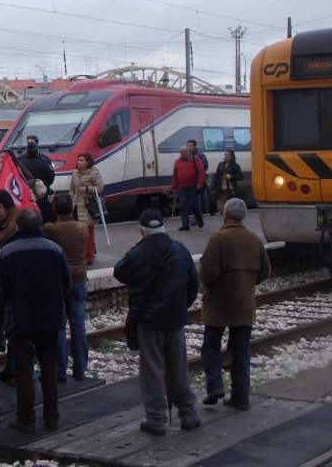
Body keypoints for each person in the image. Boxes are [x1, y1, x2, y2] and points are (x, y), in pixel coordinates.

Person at [114, 209, 201, 435]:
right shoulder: (180, 249)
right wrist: (181, 306)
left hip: (149, 320)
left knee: (152, 369)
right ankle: (189, 414)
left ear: (142, 230)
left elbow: (120, 272)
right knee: (178, 368)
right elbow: (193, 284)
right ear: (163, 226)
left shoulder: (139, 253)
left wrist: (136, 246)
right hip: (175, 318)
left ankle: (156, 420)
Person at [0, 208, 71, 432]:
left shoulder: (8, 252)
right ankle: (52, 418)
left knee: (23, 368)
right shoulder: (55, 250)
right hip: (50, 317)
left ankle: (26, 418)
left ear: (17, 226)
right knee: (49, 366)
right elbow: (66, 283)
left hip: (21, 316)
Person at [199, 198, 271, 411]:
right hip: (244, 305)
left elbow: (208, 273)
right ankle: (241, 397)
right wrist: (248, 283)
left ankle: (215, 386)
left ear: (226, 215)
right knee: (241, 351)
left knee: (211, 345)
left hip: (218, 304)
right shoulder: (254, 239)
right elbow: (266, 271)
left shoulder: (218, 239)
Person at [43, 193, 89, 382]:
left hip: (58, 281)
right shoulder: (82, 228)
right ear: (72, 209)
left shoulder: (50, 229)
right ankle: (80, 369)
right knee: (78, 325)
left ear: (54, 210)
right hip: (79, 279)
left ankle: (60, 370)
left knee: (59, 326)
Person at [70, 152, 105, 263]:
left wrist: (87, 189)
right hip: (76, 206)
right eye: (78, 160)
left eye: (82, 160)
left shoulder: (94, 173)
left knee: (88, 232)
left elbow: (100, 188)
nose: (79, 162)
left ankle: (89, 256)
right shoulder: (75, 173)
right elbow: (71, 189)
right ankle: (84, 252)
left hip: (88, 206)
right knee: (77, 232)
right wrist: (71, 200)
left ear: (88, 162)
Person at [171, 145, 206, 232]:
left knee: (193, 204)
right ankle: (185, 225)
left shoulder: (195, 159)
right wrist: (174, 187)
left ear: (188, 152)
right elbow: (175, 175)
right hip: (182, 186)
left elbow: (202, 172)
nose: (182, 153)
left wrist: (200, 183)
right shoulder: (177, 162)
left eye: (184, 151)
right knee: (183, 205)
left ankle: (199, 219)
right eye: (181, 151)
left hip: (193, 186)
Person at [21, 142, 56, 222]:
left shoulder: (22, 165)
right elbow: (51, 179)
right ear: (37, 152)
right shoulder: (44, 163)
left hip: (28, 196)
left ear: (27, 152)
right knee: (44, 219)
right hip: (43, 196)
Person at [208, 150, 244, 215]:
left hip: (230, 189)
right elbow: (217, 176)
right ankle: (225, 219)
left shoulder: (235, 166)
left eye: (227, 155)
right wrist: (213, 188)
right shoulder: (221, 165)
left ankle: (228, 220)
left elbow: (241, 176)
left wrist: (231, 176)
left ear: (232, 157)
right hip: (221, 189)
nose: (226, 157)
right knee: (221, 207)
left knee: (229, 207)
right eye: (225, 155)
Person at [187, 139, 210, 215]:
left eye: (191, 145)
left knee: (200, 197)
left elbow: (204, 166)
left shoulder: (200, 155)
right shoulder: (187, 156)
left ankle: (202, 213)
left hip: (199, 180)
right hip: (191, 181)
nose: (189, 147)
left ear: (195, 146)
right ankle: (197, 216)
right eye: (188, 145)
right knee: (195, 199)